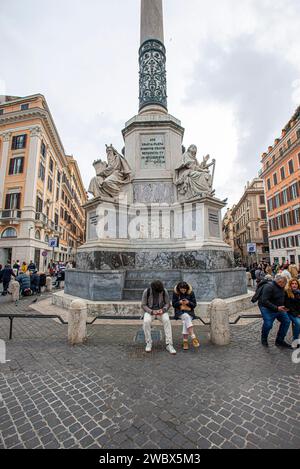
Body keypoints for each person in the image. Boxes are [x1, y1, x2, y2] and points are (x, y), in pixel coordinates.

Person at [142, 280, 176, 355]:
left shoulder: (164, 291)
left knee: (167, 320)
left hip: (161, 311)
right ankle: (148, 342)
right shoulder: (146, 291)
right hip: (150, 311)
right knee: (146, 322)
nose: (158, 293)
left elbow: (168, 303)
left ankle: (169, 344)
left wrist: (163, 310)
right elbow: (143, 305)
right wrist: (151, 311)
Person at [258, 274, 291, 348]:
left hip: (278, 307)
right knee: (268, 324)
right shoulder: (269, 287)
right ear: (280, 282)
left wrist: (286, 307)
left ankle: (280, 340)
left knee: (286, 321)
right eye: (284, 284)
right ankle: (264, 338)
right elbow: (264, 301)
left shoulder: (281, 287)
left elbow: (282, 297)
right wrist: (276, 308)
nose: (285, 285)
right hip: (266, 307)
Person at [172, 282, 199, 350]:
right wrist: (179, 302)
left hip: (189, 312)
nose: (183, 291)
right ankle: (193, 336)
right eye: (181, 290)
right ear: (179, 289)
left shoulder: (191, 293)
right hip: (179, 312)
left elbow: (194, 305)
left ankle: (185, 342)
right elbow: (174, 304)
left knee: (185, 322)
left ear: (187, 289)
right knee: (186, 317)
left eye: (184, 290)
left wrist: (188, 302)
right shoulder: (176, 293)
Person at [284, 279, 300, 347]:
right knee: (298, 323)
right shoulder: (287, 292)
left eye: (296, 284)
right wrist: (297, 314)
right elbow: (288, 306)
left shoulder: (299, 292)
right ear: (290, 285)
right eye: (292, 283)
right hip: (290, 312)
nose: (294, 285)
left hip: (298, 312)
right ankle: (295, 340)